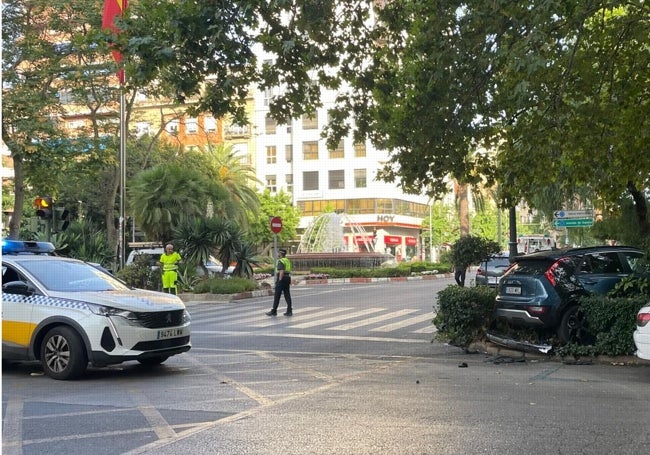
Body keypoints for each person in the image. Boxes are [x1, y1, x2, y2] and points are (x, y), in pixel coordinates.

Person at [266, 248, 293, 316]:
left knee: (277, 295)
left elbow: (281, 271)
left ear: (280, 253)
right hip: (287, 278)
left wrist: (279, 280)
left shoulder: (281, 261)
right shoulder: (287, 260)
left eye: (278, 253)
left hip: (282, 278)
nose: (278, 254)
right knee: (287, 295)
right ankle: (289, 311)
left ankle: (274, 311)